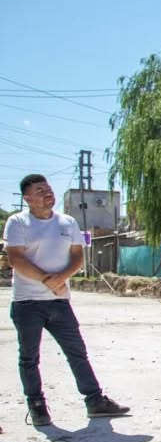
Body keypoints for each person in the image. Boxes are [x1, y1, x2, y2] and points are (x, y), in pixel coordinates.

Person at [4, 174, 130, 426]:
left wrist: (61, 278)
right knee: (29, 357)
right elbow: (15, 258)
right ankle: (37, 405)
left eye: (48, 188)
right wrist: (46, 279)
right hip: (27, 303)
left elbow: (77, 257)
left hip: (60, 303)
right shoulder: (18, 222)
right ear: (27, 198)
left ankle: (94, 401)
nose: (47, 193)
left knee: (77, 353)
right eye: (40, 191)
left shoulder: (67, 222)